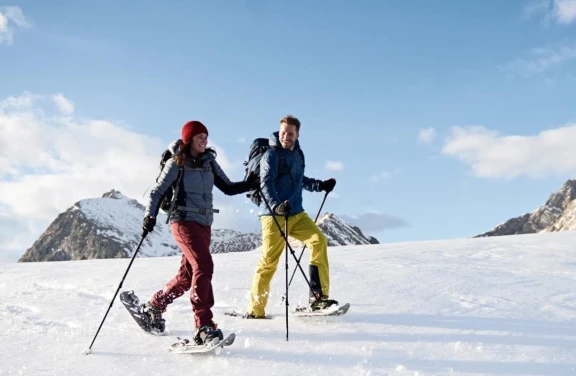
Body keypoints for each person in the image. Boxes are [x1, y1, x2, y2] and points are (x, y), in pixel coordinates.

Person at [141, 120, 259, 344]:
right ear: (188, 140)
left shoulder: (209, 162)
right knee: (203, 266)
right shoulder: (177, 163)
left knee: (187, 278)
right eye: (199, 137)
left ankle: (155, 305)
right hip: (183, 222)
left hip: (204, 224)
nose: (204, 140)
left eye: (206, 136)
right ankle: (203, 326)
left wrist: (249, 183)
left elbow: (228, 187)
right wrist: (150, 216)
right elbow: (157, 192)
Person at [244, 114, 337, 319]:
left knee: (319, 241)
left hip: (296, 213)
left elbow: (298, 180)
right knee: (269, 262)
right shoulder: (271, 155)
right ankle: (255, 310)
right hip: (273, 215)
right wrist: (277, 206)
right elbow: (265, 183)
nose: (286, 137)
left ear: (298, 134)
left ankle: (318, 299)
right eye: (283, 132)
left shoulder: (298, 154)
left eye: (291, 133)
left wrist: (319, 185)